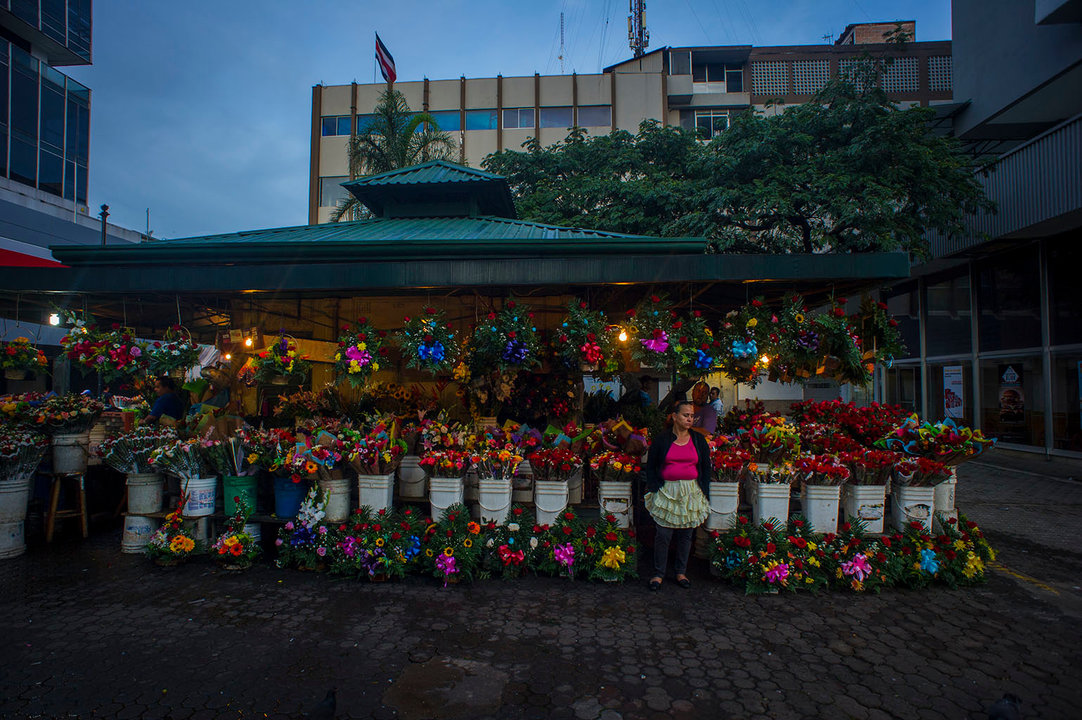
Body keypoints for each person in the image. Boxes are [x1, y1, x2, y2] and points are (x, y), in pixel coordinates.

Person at [643, 400, 711, 591]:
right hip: (668, 491)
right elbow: (651, 465)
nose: (689, 419)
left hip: (690, 491)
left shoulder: (698, 440)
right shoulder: (662, 439)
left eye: (691, 416)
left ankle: (681, 572)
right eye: (685, 415)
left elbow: (706, 467)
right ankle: (658, 573)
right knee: (663, 533)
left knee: (686, 534)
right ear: (674, 416)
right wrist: (654, 487)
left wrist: (704, 490)